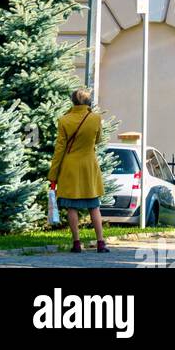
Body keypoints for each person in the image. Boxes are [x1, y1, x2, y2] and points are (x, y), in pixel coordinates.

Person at [49, 87, 107, 253]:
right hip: (89, 166)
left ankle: (76, 243)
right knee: (94, 206)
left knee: (71, 207)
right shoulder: (95, 119)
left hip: (70, 167)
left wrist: (53, 174)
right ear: (88, 102)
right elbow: (98, 140)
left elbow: (59, 149)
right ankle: (101, 243)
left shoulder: (64, 120)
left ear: (72, 101)